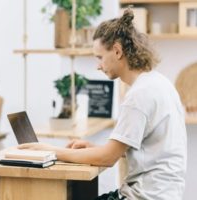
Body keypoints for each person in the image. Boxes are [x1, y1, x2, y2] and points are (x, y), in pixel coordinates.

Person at [19, 9, 187, 200]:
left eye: (99, 57)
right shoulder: (159, 82)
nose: (98, 65)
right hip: (166, 193)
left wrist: (51, 151)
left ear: (117, 51)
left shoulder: (138, 96)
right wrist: (95, 148)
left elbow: (107, 159)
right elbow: (149, 151)